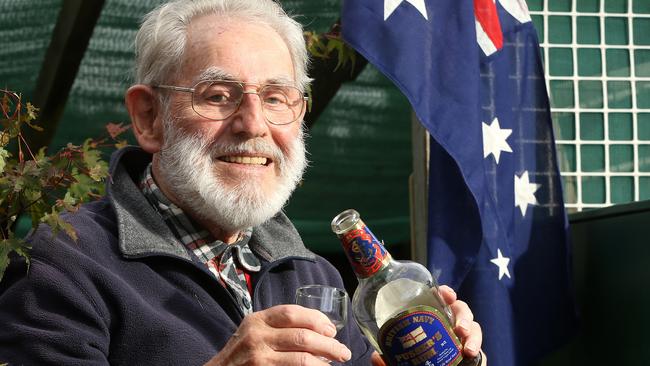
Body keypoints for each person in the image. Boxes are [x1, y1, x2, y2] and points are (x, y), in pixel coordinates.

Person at [0, 0, 485, 364]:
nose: (253, 124)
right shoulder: (62, 266)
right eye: (217, 95)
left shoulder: (316, 275)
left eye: (277, 97)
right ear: (149, 118)